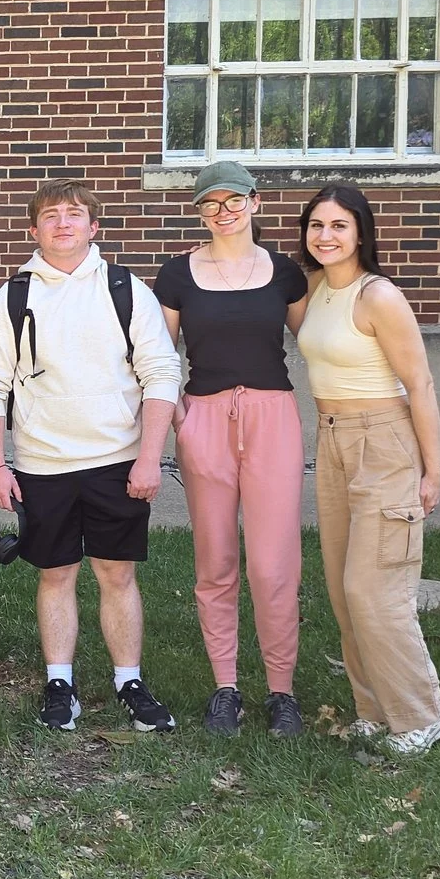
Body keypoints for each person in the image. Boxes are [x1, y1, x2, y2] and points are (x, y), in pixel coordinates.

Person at [0, 178, 184, 734]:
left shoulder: (126, 289)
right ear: (33, 229)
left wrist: (150, 458)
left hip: (117, 460)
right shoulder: (13, 297)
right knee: (56, 573)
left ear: (94, 226)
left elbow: (162, 373)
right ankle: (59, 684)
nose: (62, 223)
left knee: (117, 574)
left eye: (73, 214)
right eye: (50, 216)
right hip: (42, 464)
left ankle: (129, 682)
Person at [149, 161, 311, 738]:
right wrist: (178, 416)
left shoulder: (285, 273)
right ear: (199, 212)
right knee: (215, 559)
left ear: (255, 203)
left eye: (234, 200)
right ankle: (226, 687)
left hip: (272, 419)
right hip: (206, 419)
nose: (224, 212)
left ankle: (281, 691)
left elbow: (318, 342)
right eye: (211, 203)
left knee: (273, 563)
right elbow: (158, 355)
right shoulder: (177, 275)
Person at [295, 183, 440, 755]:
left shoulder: (379, 296)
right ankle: (374, 708)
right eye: (317, 225)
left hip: (384, 444)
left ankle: (424, 713)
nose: (326, 236)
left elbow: (420, 384)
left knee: (375, 588)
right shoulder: (315, 288)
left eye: (339, 225)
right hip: (333, 441)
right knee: (344, 590)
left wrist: (433, 471)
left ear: (361, 232)